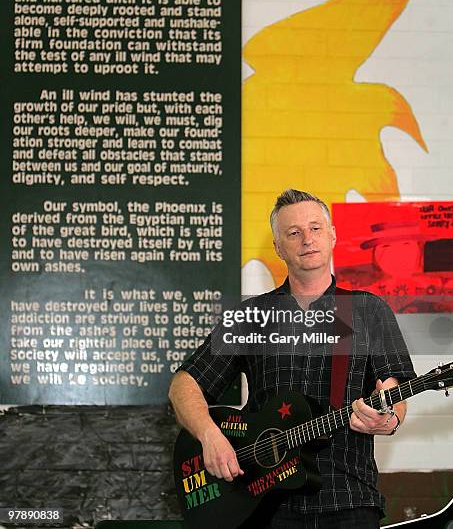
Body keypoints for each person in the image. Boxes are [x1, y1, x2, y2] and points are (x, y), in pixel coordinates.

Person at [169, 189, 416, 528]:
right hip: (265, 507)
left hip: (348, 499)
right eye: (293, 233)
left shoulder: (367, 310)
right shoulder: (250, 316)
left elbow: (392, 391)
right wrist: (210, 436)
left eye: (315, 228)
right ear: (278, 247)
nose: (307, 240)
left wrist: (388, 420)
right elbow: (184, 384)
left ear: (332, 235)